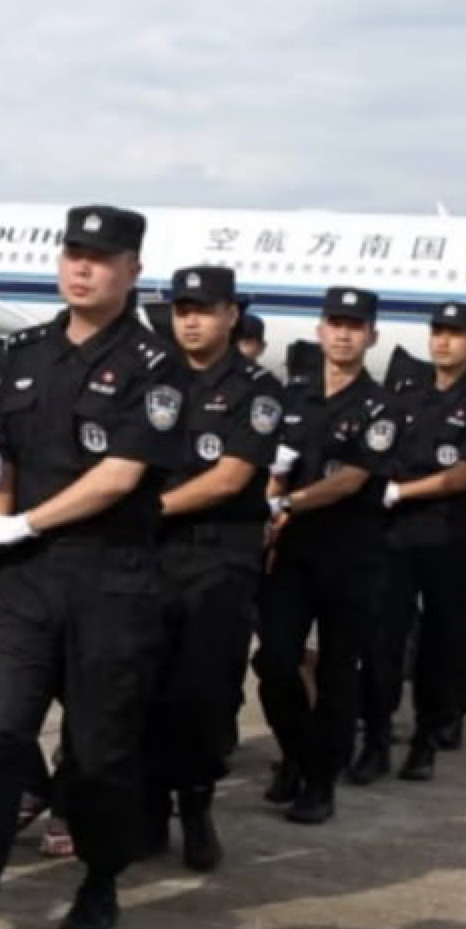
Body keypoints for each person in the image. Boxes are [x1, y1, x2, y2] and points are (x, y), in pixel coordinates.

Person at [0, 203, 186, 929]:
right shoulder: (21, 354)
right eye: (73, 253)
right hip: (23, 582)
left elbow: (120, 475)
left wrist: (24, 521)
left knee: (97, 752)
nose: (82, 268)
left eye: (101, 257)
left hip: (109, 578)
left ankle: (100, 877)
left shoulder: (155, 366)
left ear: (132, 269)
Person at [141, 266, 279, 871]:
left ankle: (196, 807)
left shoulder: (256, 388)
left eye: (203, 309)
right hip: (150, 554)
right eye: (182, 310)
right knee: (143, 685)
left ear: (231, 314)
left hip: (219, 556)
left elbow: (228, 479)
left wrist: (144, 509)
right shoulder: (151, 375)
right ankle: (148, 811)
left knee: (204, 691)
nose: (191, 321)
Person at [250, 287, 398, 825]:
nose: (343, 335)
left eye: (355, 326)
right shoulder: (293, 397)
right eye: (335, 324)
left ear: (371, 337)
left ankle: (320, 782)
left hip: (351, 556)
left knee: (337, 672)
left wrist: (285, 502)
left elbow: (352, 479)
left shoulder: (380, 408)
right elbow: (271, 465)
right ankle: (297, 752)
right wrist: (271, 492)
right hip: (293, 554)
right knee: (274, 662)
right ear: (319, 331)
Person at [351, 300, 466, 784]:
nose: (443, 341)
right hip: (395, 537)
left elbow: (463, 476)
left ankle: (425, 742)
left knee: (442, 644)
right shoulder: (405, 394)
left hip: (449, 535)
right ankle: (376, 741)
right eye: (438, 331)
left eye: (455, 334)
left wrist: (399, 491)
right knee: (382, 640)